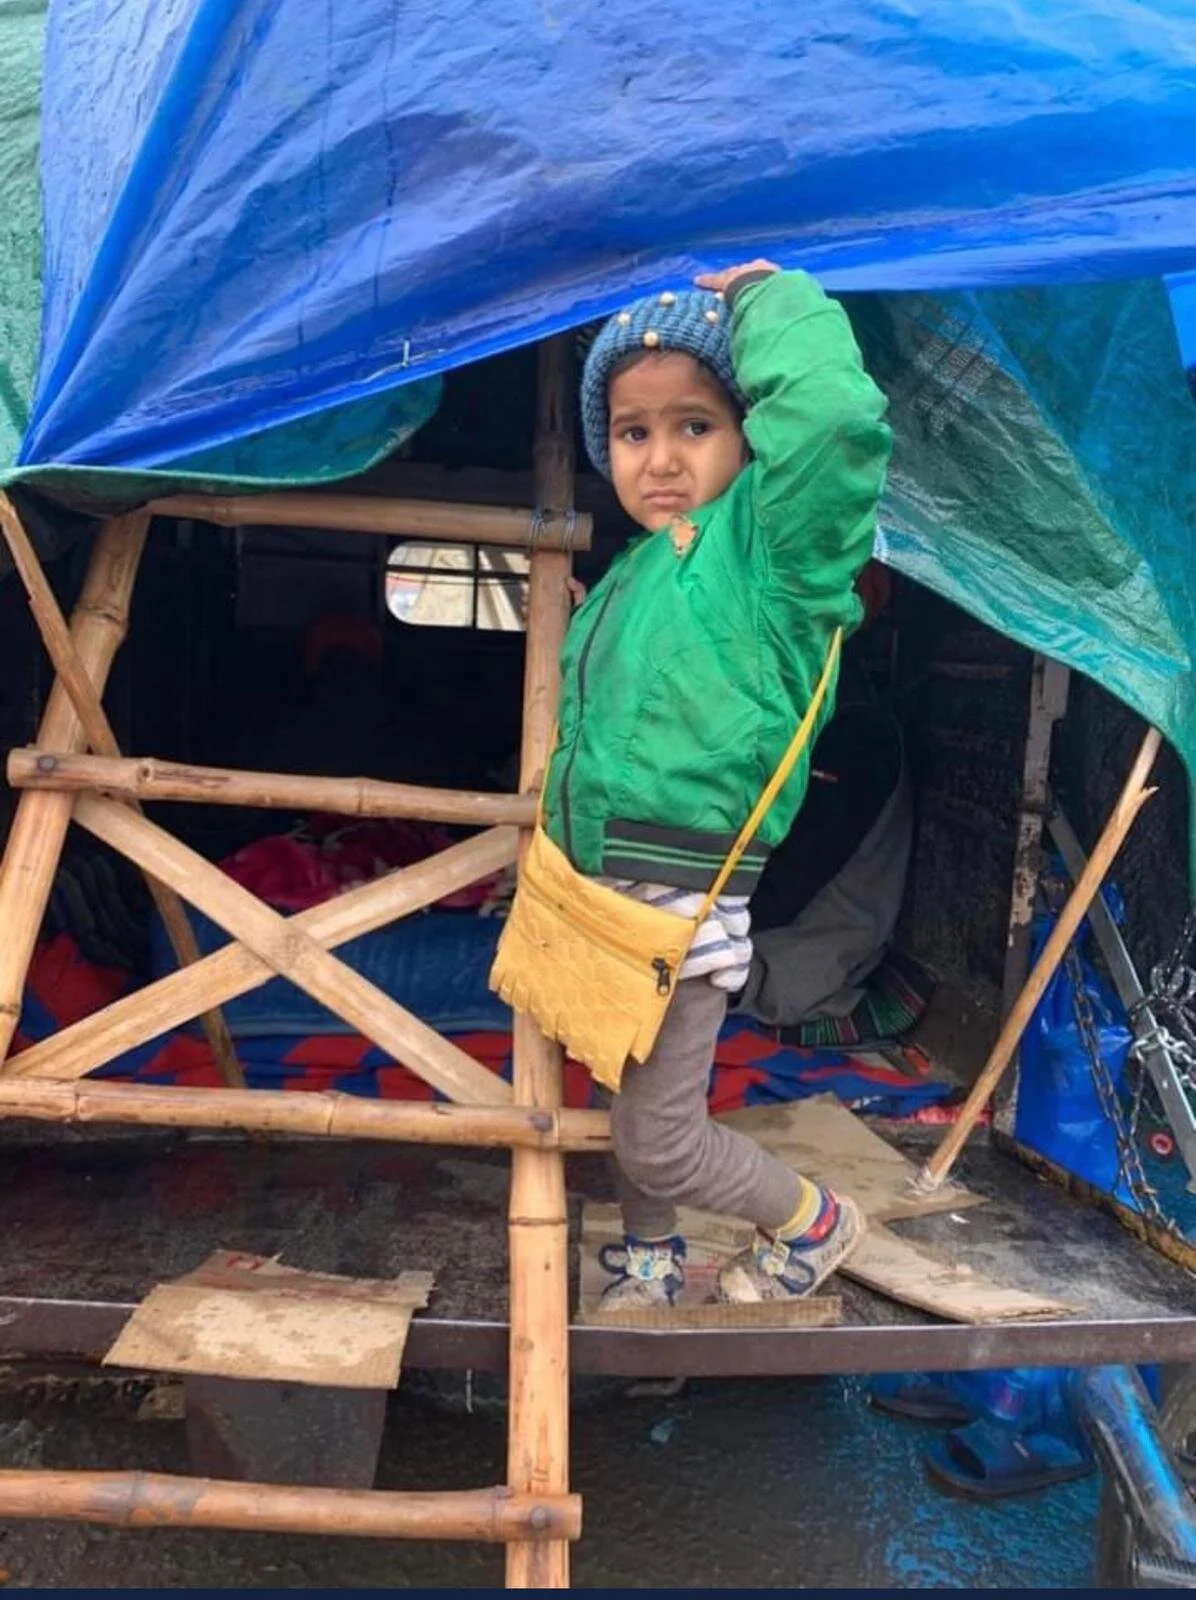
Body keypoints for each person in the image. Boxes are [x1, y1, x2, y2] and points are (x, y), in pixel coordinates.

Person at [547, 260, 891, 1309]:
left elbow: (830, 424)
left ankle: (813, 1219)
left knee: (659, 1137)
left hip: (684, 906)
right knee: (624, 1097)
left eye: (694, 426)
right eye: (631, 432)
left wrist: (770, 302)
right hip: (601, 894)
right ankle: (652, 1255)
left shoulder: (772, 554)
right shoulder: (644, 566)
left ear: (749, 439)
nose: (659, 459)